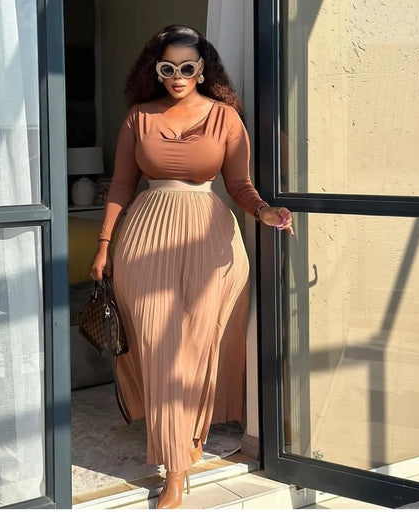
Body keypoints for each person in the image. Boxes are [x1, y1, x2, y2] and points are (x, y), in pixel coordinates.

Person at [90, 25, 294, 509]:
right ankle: (175, 470)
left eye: (187, 67)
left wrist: (264, 211)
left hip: (211, 236)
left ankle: (189, 434)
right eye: (168, 67)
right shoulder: (139, 117)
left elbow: (239, 184)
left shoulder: (225, 118)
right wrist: (103, 245)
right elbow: (121, 186)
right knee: (161, 349)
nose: (178, 76)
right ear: (156, 69)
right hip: (145, 237)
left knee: (198, 347)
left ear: (202, 69)